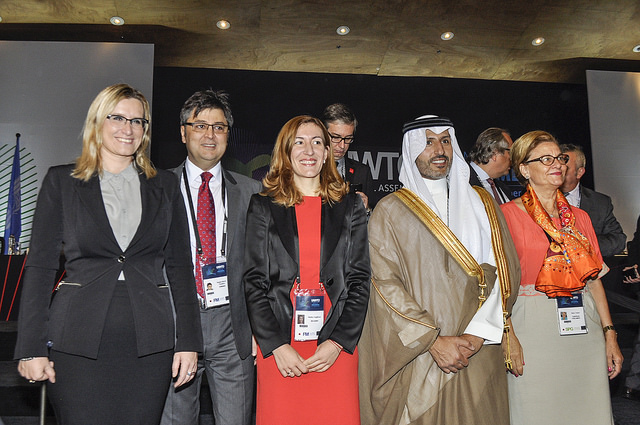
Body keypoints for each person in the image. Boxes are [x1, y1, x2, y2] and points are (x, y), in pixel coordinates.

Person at [14, 83, 202, 424]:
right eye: (117, 118)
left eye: (137, 121)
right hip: (77, 340)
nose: (128, 128)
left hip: (150, 343)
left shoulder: (165, 185)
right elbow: (40, 268)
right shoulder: (61, 181)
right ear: (97, 122)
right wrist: (30, 348)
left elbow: (179, 267)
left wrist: (189, 341)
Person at [358, 115, 521, 425]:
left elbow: (504, 269)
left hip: (479, 348)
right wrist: (433, 341)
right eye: (429, 142)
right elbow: (384, 284)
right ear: (411, 149)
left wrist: (478, 334)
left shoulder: (483, 203)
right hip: (420, 353)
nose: (439, 150)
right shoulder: (390, 210)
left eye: (445, 141)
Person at [243, 115, 370, 425]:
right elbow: (254, 282)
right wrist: (275, 345)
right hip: (282, 348)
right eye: (299, 142)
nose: (309, 150)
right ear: (285, 152)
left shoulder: (351, 206)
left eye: (316, 142)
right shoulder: (262, 206)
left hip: (334, 346)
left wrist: (338, 342)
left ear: (327, 153)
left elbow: (359, 280)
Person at [500, 131, 623, 425]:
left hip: (584, 327)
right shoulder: (505, 216)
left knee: (588, 410)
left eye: (560, 158)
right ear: (524, 170)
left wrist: (610, 335)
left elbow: (594, 279)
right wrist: (507, 334)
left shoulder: (580, 218)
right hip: (532, 326)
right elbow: (498, 283)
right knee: (536, 409)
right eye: (546, 159)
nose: (557, 164)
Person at [161, 89, 261, 425]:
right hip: (175, 323)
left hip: (233, 328)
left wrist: (257, 327)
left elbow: (261, 265)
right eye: (200, 126)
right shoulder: (158, 188)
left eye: (219, 127)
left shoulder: (251, 192)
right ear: (183, 132)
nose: (210, 135)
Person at [559, 143, 626, 258]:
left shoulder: (600, 202)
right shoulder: (539, 199)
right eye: (558, 167)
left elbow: (618, 240)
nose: (560, 171)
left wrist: (583, 245)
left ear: (579, 172)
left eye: (566, 167)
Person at [322, 103, 374, 210]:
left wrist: (366, 210)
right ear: (322, 133)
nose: (342, 145)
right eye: (336, 137)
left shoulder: (362, 172)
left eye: (348, 138)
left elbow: (372, 215)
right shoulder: (308, 170)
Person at [468, 127, 515, 204]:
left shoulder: (503, 189)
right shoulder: (462, 182)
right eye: (510, 152)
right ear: (495, 153)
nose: (512, 158)